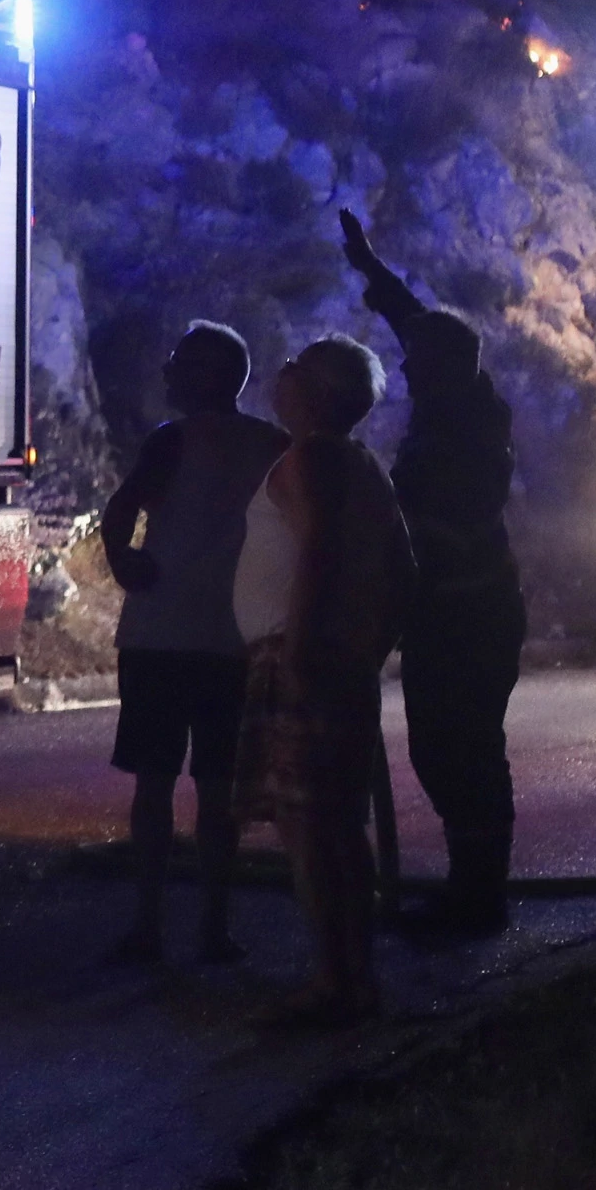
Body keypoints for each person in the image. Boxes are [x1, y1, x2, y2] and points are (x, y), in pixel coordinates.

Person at [340, 208, 526, 936]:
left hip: (470, 611)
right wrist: (371, 267)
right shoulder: (448, 397)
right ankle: (469, 886)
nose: (406, 369)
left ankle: (481, 898)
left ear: (450, 368)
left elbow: (449, 525)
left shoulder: (473, 427)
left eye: (419, 363)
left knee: (466, 749)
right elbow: (415, 323)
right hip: (444, 611)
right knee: (439, 748)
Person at [233, 335, 419, 1026]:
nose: (279, 374)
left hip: (300, 657)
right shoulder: (360, 463)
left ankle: (334, 981)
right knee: (338, 825)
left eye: (294, 366)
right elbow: (404, 570)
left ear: (315, 392)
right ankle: (353, 976)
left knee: (311, 826)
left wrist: (304, 647)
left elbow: (317, 550)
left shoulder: (311, 459)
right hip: (337, 659)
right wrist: (368, 646)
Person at [95, 321, 288, 965]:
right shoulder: (273, 445)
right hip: (235, 637)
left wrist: (124, 562)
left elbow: (121, 511)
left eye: (180, 362)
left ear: (206, 374)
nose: (169, 371)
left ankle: (148, 925)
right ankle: (213, 927)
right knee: (219, 788)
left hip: (160, 634)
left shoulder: (170, 442)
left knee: (154, 785)